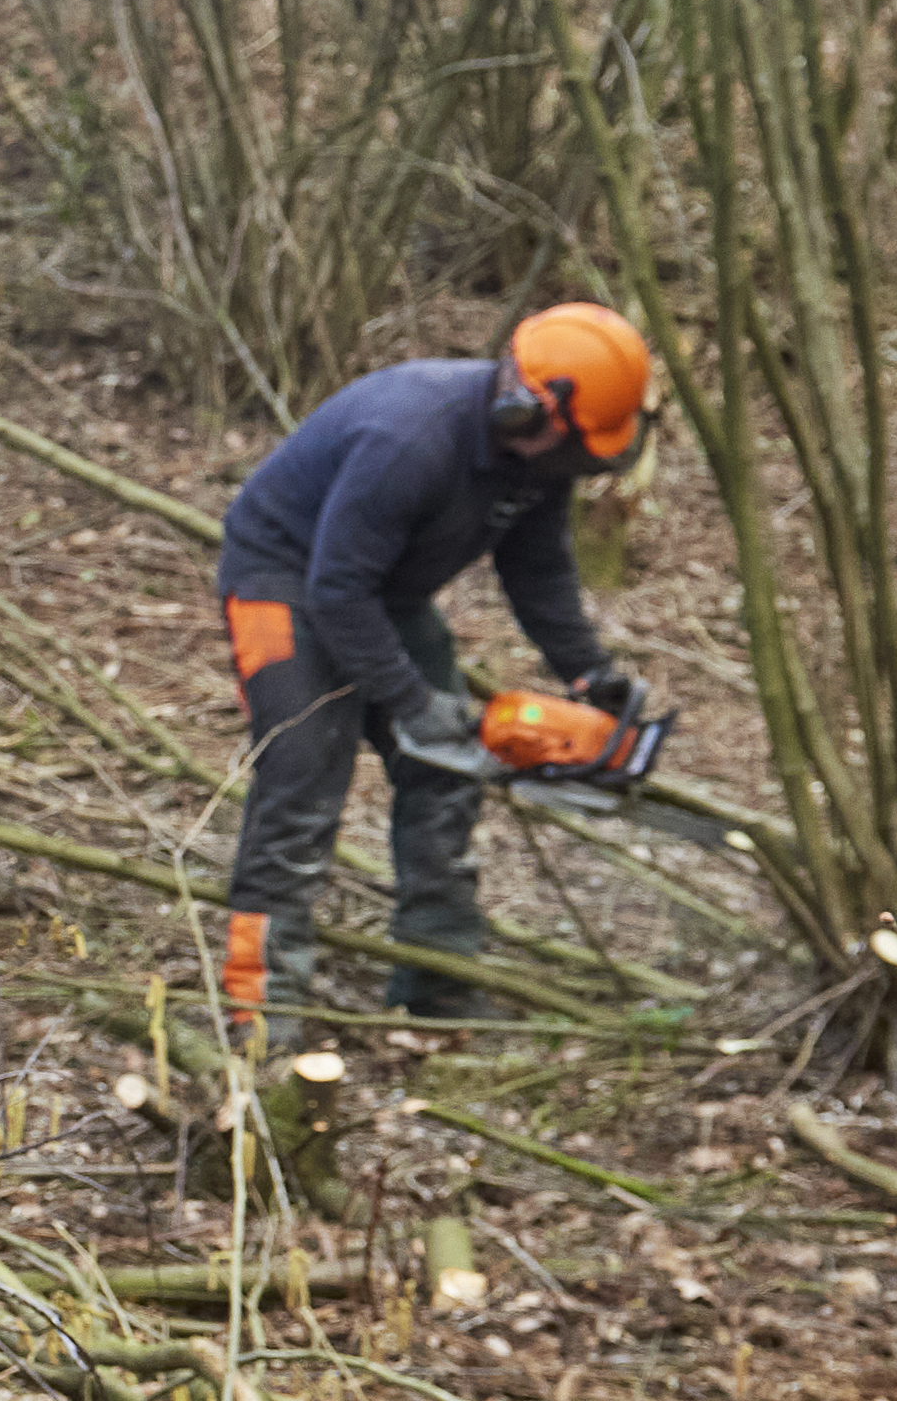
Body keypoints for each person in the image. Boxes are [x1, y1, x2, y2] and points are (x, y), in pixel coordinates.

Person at [210, 302, 656, 1037]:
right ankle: (260, 1013)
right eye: (571, 449)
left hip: (380, 591)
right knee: (301, 782)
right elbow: (334, 588)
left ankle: (437, 981)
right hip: (283, 579)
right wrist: (408, 700)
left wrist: (588, 674)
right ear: (525, 408)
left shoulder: (540, 457)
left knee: (448, 768)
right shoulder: (408, 438)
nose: (573, 466)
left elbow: (536, 567)